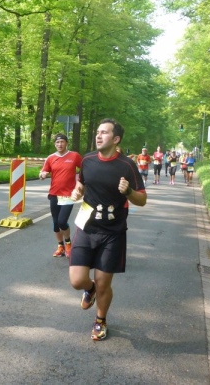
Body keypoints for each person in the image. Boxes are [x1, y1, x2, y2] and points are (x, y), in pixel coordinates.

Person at [69, 118, 147, 341]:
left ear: (116, 139)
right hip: (86, 227)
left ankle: (100, 320)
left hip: (113, 232)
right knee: (77, 281)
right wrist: (78, 191)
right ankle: (90, 289)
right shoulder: (87, 160)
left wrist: (128, 191)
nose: (98, 135)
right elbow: (82, 183)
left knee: (104, 282)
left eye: (104, 132)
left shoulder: (127, 165)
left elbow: (142, 200)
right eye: (98, 131)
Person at [39, 133, 82, 258]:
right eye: (57, 142)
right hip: (54, 194)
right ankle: (60, 246)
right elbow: (43, 171)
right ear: (55, 144)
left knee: (62, 221)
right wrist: (42, 174)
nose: (60, 144)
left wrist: (80, 182)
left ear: (66, 143)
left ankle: (68, 244)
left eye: (62, 142)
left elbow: (84, 168)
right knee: (55, 223)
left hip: (68, 195)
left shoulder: (74, 156)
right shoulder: (51, 158)